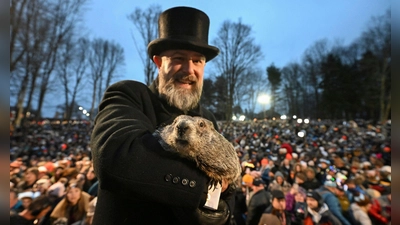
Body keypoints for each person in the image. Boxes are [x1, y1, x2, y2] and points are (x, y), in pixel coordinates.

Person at [90, 6, 235, 225]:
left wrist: (224, 213)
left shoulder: (207, 119)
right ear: (159, 62)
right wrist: (204, 191)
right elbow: (116, 156)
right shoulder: (129, 95)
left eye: (197, 61)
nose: (189, 69)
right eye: (178, 58)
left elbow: (226, 176)